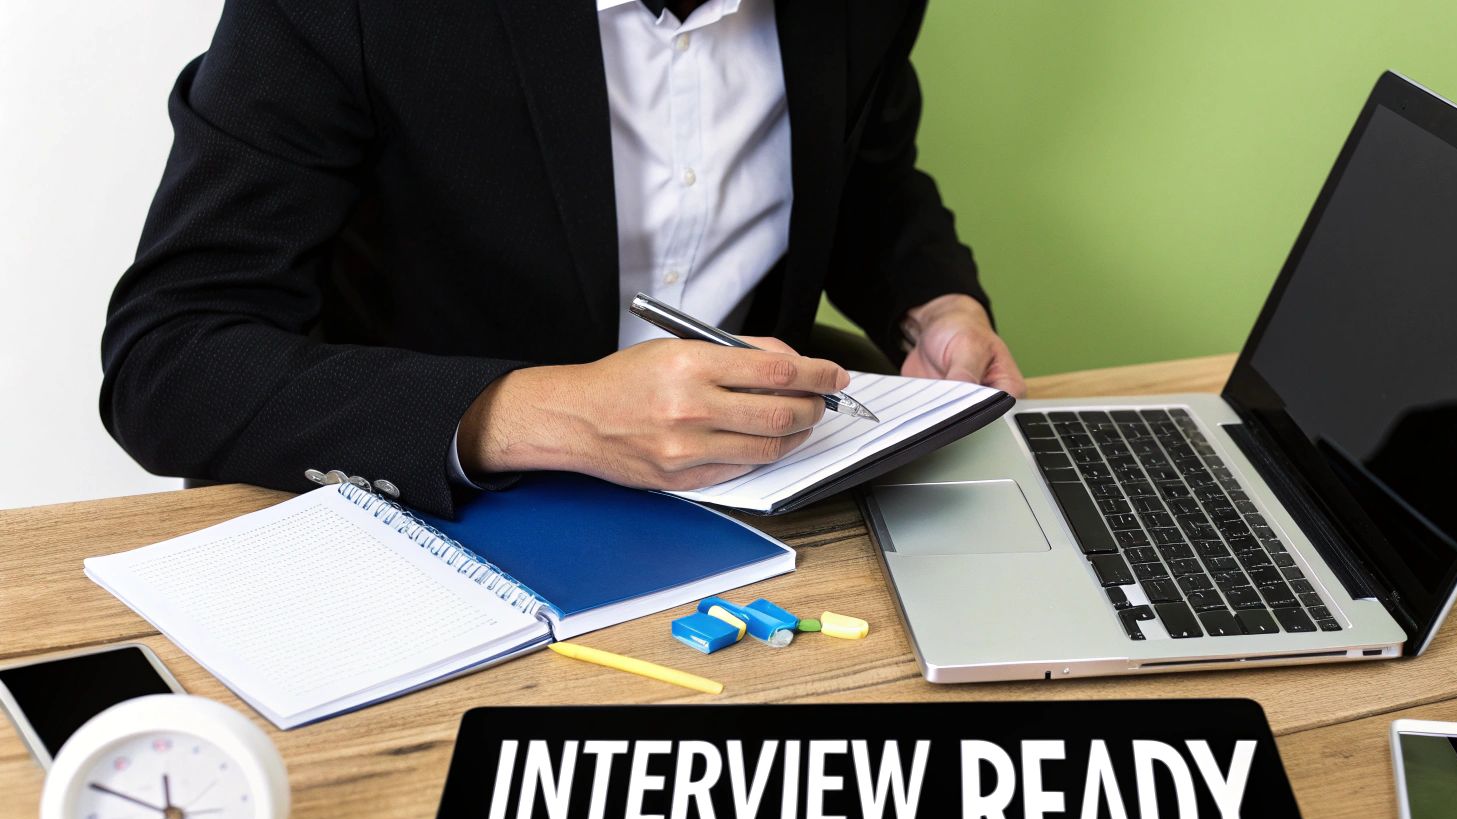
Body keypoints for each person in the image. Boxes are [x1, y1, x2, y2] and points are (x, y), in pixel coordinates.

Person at [100, 0, 1025, 517]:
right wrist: (545, 414)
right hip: (438, 520)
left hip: (766, 500)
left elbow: (862, 174)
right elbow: (170, 360)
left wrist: (934, 305)